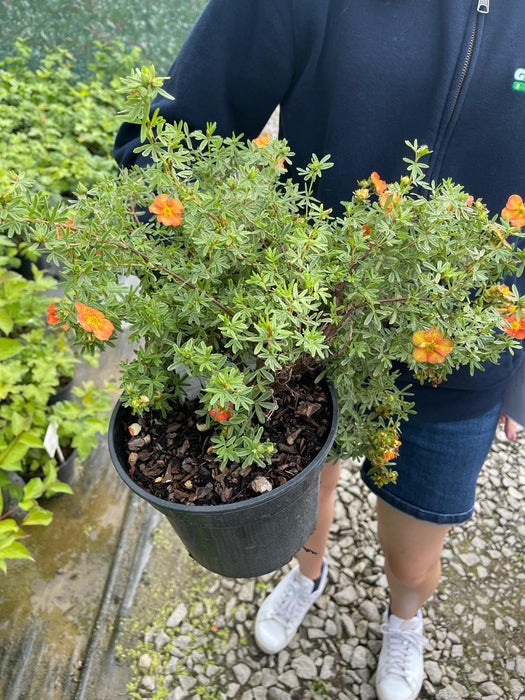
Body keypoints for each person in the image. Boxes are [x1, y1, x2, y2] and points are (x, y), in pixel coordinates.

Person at [114, 2, 525, 698]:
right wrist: (193, 275)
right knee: (302, 497)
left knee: (417, 557)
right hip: (306, 333)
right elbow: (169, 141)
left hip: (465, 356)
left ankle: (403, 619)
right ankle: (309, 574)